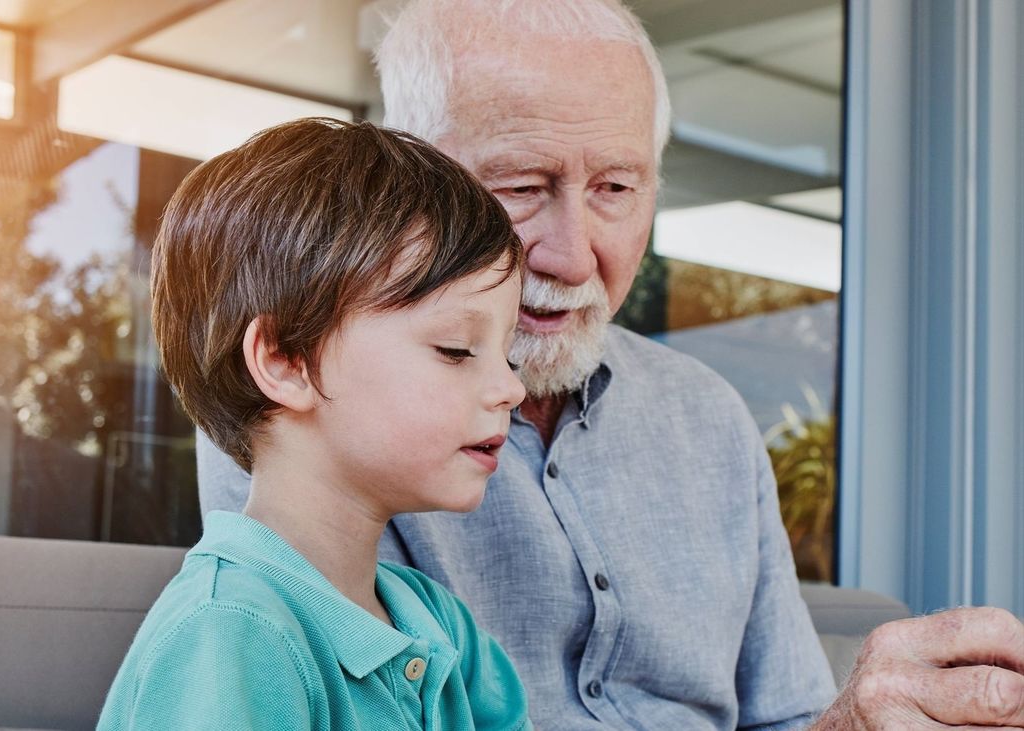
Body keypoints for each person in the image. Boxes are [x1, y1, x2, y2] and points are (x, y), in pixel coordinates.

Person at [197, 1, 1024, 729]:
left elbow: (790, 716)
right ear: (412, 177)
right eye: (522, 187)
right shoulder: (311, 422)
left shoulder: (711, 418)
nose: (572, 253)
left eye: (617, 189)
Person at [98, 118, 535, 729]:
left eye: (508, 353)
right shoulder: (231, 635)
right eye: (457, 349)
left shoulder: (441, 627)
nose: (511, 387)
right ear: (286, 360)